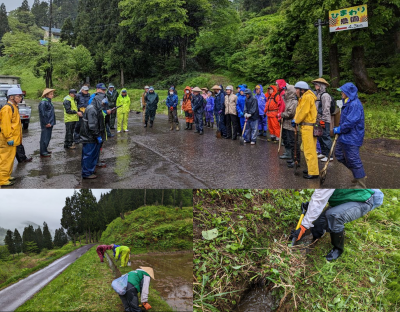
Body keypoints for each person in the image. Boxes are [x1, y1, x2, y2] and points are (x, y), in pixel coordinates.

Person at [290, 189, 384, 261]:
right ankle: (315, 237)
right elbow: (321, 196)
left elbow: (321, 196)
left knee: (334, 216)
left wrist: (303, 227)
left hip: (363, 199)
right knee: (317, 228)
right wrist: (311, 206)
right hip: (345, 198)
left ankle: (338, 249)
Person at [334, 83, 367, 188]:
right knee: (339, 155)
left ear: (348, 92)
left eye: (343, 91)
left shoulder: (355, 104)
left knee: (353, 159)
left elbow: (350, 122)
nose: (341, 93)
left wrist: (340, 129)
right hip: (344, 136)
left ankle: (361, 184)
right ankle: (358, 175)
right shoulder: (347, 102)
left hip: (353, 136)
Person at [80, 83, 111, 179]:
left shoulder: (97, 108)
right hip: (90, 137)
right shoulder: (92, 109)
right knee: (89, 155)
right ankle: (86, 173)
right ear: (98, 101)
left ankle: (89, 170)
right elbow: (92, 126)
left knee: (92, 155)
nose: (103, 105)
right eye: (102, 103)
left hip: (93, 136)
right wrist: (97, 136)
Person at [293, 81, 319, 179]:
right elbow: (299, 110)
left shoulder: (307, 97)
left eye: (297, 89)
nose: (296, 91)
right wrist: (295, 119)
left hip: (308, 127)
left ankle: (313, 172)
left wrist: (296, 120)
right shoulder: (304, 97)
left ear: (302, 90)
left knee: (309, 149)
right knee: (306, 148)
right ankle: (311, 168)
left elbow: (303, 111)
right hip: (306, 126)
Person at [0, 87, 23, 187]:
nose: (20, 98)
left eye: (21, 96)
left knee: (10, 159)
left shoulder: (14, 106)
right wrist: (9, 138)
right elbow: (5, 125)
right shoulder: (7, 108)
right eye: (18, 96)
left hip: (13, 139)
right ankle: (2, 179)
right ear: (11, 97)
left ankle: (7, 176)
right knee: (5, 159)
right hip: (7, 140)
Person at [312, 78, 333, 162]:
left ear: (321, 86)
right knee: (320, 136)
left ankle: (329, 156)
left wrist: (323, 120)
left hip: (324, 120)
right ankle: (323, 153)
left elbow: (326, 109)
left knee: (325, 137)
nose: (315, 86)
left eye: (317, 84)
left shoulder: (325, 96)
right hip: (318, 119)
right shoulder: (318, 95)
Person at [279, 85, 299, 167]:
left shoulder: (294, 101)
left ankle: (296, 160)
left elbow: (290, 113)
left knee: (293, 143)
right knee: (290, 142)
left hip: (292, 125)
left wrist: (281, 114)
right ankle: (292, 157)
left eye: (287, 91)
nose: (285, 92)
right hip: (286, 124)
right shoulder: (287, 100)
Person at [38, 88, 56, 157]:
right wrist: (46, 123)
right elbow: (43, 114)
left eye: (52, 94)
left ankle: (45, 150)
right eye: (51, 94)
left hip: (50, 122)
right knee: (44, 138)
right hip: (46, 123)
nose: (52, 95)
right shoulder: (43, 103)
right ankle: (43, 152)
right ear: (46, 95)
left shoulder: (48, 102)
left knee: (48, 137)